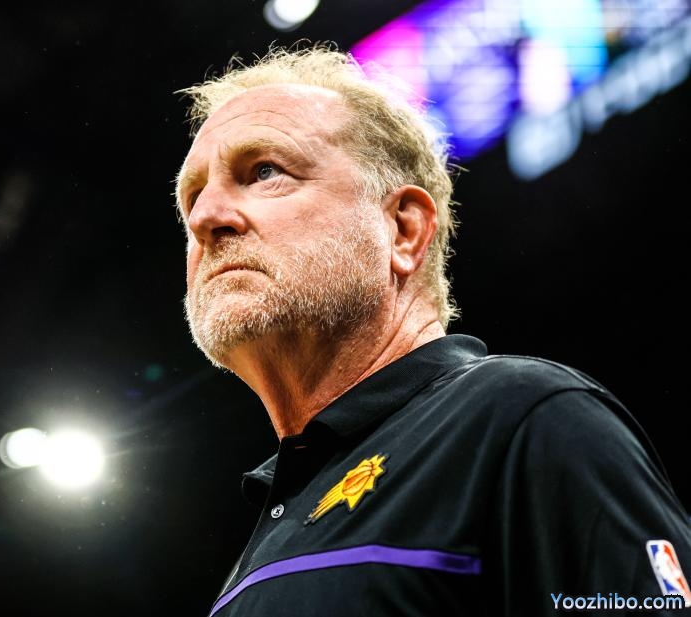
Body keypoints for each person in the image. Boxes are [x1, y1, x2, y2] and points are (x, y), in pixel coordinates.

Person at [174, 44, 691, 616]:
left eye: (265, 172)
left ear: (403, 230)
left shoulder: (523, 418)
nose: (204, 218)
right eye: (192, 196)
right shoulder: (267, 532)